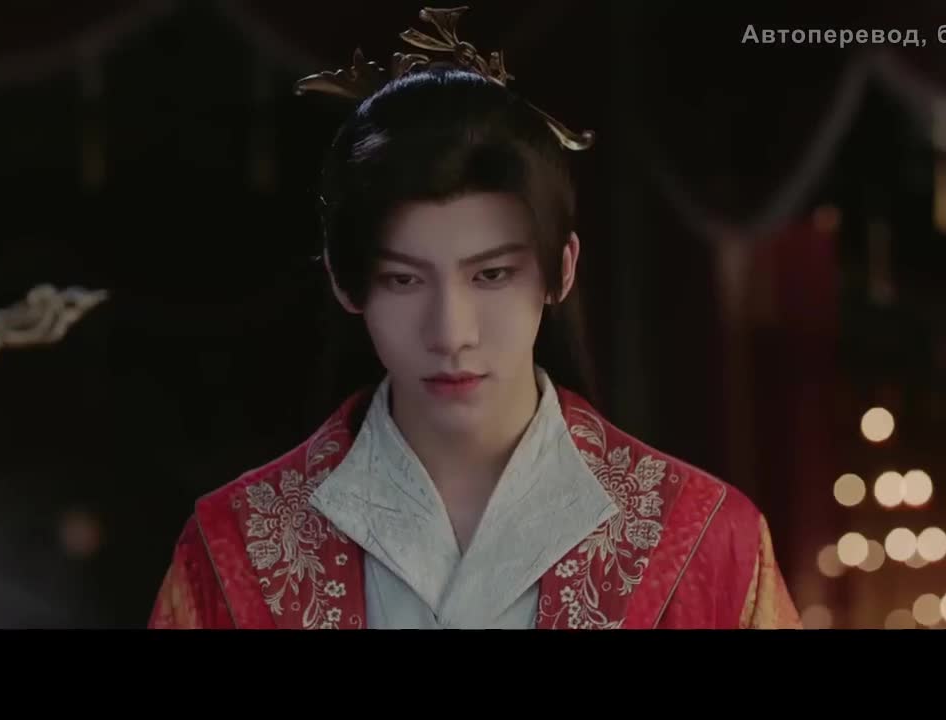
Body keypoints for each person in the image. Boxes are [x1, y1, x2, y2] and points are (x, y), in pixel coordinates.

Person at [148, 6, 801, 630]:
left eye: (491, 275)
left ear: (561, 270)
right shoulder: (233, 548)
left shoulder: (708, 539)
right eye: (404, 279)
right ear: (346, 283)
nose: (451, 333)